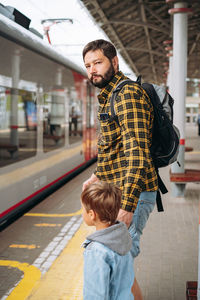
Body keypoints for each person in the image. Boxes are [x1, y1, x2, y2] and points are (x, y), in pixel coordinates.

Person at [82, 39, 158, 300]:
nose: (92, 70)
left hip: (131, 195)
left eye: (98, 62)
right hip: (120, 192)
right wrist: (97, 174)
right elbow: (113, 149)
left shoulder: (127, 95)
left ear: (114, 62)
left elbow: (138, 152)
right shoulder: (109, 96)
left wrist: (127, 205)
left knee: (120, 263)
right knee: (122, 265)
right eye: (88, 65)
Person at [81, 181, 134, 300]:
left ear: (91, 214)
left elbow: (95, 295)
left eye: (83, 209)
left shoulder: (96, 251)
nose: (82, 212)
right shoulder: (123, 237)